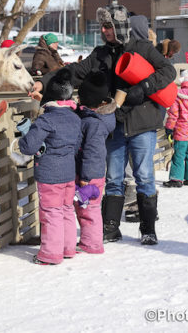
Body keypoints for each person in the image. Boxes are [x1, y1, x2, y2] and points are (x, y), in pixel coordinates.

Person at [29, 1, 175, 246]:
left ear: (119, 25)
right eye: (102, 26)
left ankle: (148, 228)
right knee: (114, 177)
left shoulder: (143, 48)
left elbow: (168, 71)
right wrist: (44, 82)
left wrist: (144, 87)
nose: (105, 31)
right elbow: (74, 71)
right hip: (114, 123)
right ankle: (111, 227)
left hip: (142, 122)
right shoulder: (100, 54)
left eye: (109, 26)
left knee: (145, 176)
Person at [19, 68, 82, 265]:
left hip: (49, 176)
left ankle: (50, 253)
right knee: (65, 210)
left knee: (51, 213)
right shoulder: (75, 118)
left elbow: (29, 147)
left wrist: (24, 136)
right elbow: (77, 144)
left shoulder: (46, 120)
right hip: (68, 173)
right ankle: (68, 247)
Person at [75, 71, 116, 254]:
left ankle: (92, 244)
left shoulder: (93, 124)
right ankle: (90, 241)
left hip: (91, 175)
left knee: (89, 210)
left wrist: (86, 176)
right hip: (92, 173)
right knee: (88, 209)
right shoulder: (96, 119)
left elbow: (93, 153)